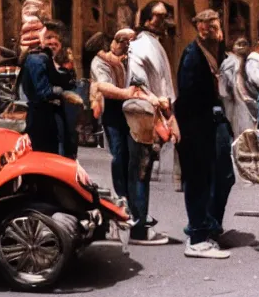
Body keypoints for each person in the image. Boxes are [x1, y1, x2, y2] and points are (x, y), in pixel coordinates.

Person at [88, 29, 166, 246]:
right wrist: (128, 94)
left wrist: (151, 97)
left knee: (134, 162)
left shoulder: (129, 59)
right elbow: (104, 86)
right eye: (125, 42)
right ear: (117, 41)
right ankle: (124, 206)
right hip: (114, 112)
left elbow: (139, 83)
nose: (127, 46)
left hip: (131, 110)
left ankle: (135, 211)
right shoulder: (101, 61)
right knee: (119, 157)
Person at [174, 9, 234, 259]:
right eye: (210, 27)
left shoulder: (211, 54)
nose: (216, 32)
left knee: (213, 178)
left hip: (205, 125)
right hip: (194, 128)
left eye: (217, 26)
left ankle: (204, 227)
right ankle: (197, 238)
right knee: (198, 181)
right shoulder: (193, 55)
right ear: (201, 29)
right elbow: (188, 97)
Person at [123, 0, 177, 245]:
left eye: (165, 16)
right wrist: (161, 106)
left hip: (154, 112)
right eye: (157, 16)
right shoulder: (139, 46)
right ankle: (138, 227)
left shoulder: (155, 44)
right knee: (140, 171)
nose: (162, 21)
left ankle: (140, 220)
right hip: (143, 114)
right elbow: (138, 83)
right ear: (146, 18)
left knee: (144, 170)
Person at [19, 21, 81, 156]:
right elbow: (44, 91)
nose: (53, 41)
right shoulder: (37, 59)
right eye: (48, 37)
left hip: (51, 117)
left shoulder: (49, 59)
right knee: (45, 158)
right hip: (42, 119)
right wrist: (61, 92)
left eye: (56, 38)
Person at [218, 37, 257, 135]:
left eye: (245, 44)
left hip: (247, 102)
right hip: (236, 104)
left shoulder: (247, 61)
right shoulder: (229, 63)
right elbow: (224, 90)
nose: (242, 47)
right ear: (232, 47)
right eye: (239, 44)